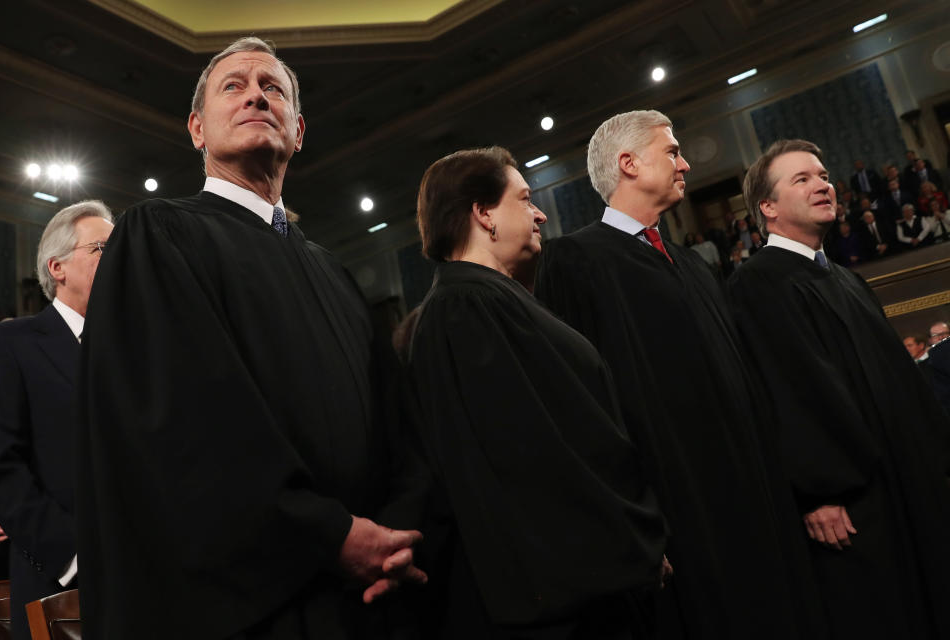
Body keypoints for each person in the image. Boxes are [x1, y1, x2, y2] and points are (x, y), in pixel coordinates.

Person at [75, 37, 426, 639]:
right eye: (233, 86)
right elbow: (182, 424)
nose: (256, 96)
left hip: (368, 596)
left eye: (274, 88)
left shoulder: (333, 272)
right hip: (253, 601)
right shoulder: (158, 235)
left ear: (299, 129)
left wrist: (397, 533)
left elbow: (399, 424)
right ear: (196, 129)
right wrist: (327, 534)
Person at [535, 110, 822, 640]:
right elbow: (580, 407)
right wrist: (633, 524)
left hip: (755, 501)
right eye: (672, 151)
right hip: (676, 512)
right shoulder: (573, 260)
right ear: (628, 163)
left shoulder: (694, 265)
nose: (685, 162)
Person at [402, 146, 667, 638]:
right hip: (572, 597)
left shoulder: (491, 299)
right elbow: (538, 459)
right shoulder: (466, 307)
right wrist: (627, 544)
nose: (540, 212)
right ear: (483, 214)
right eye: (524, 200)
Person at [729, 139, 950, 640]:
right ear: (767, 207)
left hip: (905, 482)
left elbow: (898, 380)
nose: (823, 185)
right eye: (801, 179)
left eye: (824, 175)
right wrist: (819, 491)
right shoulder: (759, 282)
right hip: (849, 503)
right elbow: (790, 392)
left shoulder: (847, 281)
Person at [0, 201, 112, 640]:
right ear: (57, 267)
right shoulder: (9, 343)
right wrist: (74, 558)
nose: (119, 260)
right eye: (102, 248)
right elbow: (0, 466)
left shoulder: (136, 351)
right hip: (59, 581)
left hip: (152, 574)